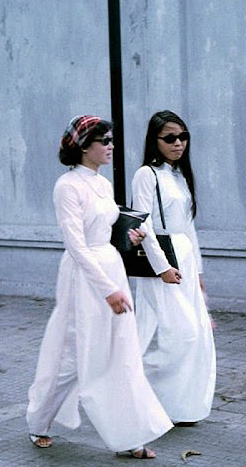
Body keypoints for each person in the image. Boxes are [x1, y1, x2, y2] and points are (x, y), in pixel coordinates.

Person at [26, 115, 173, 459]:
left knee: (119, 353)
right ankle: (39, 421)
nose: (111, 146)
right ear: (82, 146)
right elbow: (77, 246)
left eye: (111, 140)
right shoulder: (67, 186)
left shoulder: (102, 184)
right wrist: (107, 290)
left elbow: (108, 230)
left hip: (110, 267)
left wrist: (129, 235)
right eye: (103, 140)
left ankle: (127, 436)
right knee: (74, 356)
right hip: (84, 277)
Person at [131, 110, 216, 425]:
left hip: (185, 259)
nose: (178, 143)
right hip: (163, 259)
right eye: (170, 138)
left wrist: (199, 272)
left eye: (183, 137)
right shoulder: (146, 175)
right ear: (155, 141)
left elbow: (189, 228)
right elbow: (144, 224)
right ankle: (140, 393)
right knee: (183, 334)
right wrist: (161, 267)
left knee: (196, 336)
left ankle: (179, 408)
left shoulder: (180, 175)